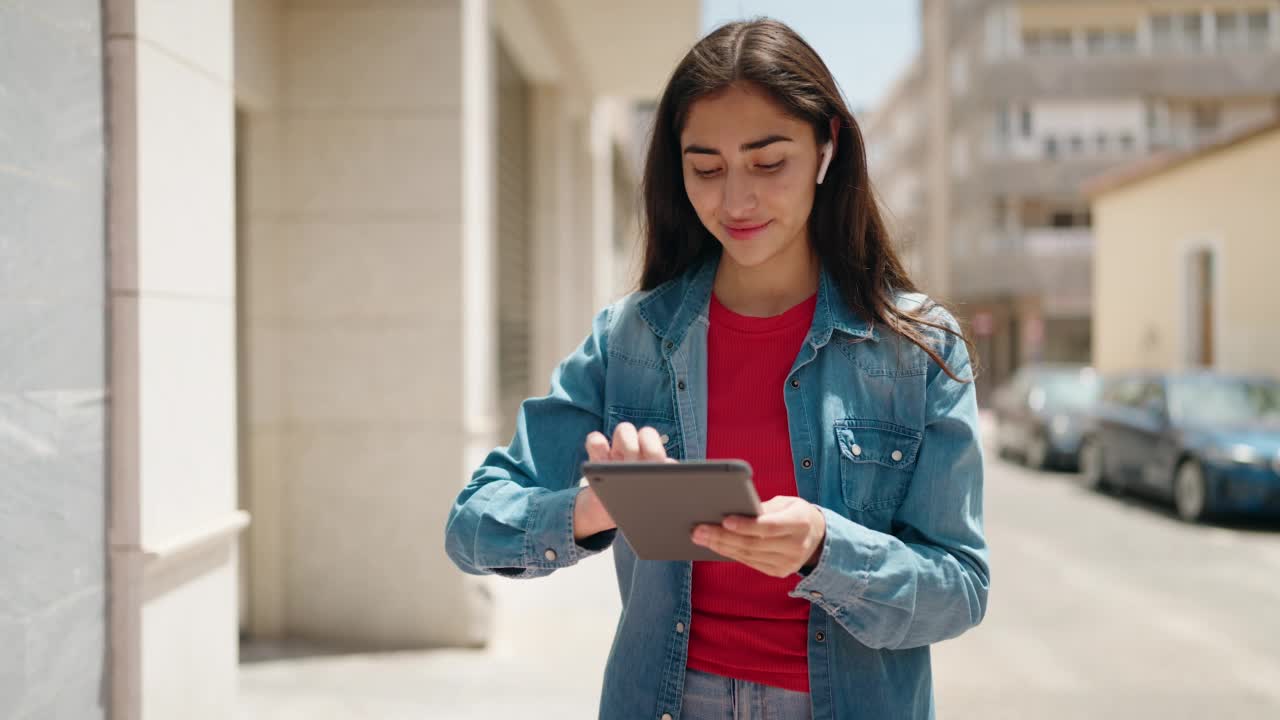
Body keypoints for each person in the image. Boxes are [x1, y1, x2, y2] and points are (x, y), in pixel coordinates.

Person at [445, 18, 989, 720]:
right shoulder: (631, 339)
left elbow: (960, 587)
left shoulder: (919, 349)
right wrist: (596, 507)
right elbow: (473, 525)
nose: (735, 201)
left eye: (768, 164)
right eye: (705, 168)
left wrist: (827, 550)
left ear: (827, 147)